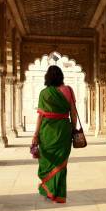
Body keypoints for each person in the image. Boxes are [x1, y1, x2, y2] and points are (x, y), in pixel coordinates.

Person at [31, 65, 78, 203]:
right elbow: (73, 113)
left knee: (47, 161)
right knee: (61, 163)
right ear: (61, 76)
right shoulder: (69, 90)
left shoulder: (44, 93)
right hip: (64, 131)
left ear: (48, 77)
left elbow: (40, 116)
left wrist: (35, 134)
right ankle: (58, 194)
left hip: (47, 132)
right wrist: (73, 129)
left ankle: (48, 188)